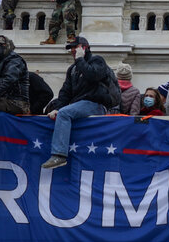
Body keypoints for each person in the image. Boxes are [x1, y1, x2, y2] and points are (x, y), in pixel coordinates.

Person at [43, 37, 115, 169]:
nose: (72, 51)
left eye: (75, 47)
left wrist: (81, 60)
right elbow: (65, 92)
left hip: (96, 104)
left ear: (84, 47)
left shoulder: (97, 60)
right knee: (60, 112)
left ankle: (59, 155)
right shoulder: (73, 69)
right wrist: (57, 108)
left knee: (64, 114)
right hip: (79, 105)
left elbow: (93, 75)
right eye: (71, 48)